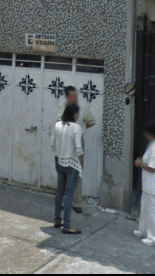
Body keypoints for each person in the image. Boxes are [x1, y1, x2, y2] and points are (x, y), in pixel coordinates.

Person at [57, 86, 96, 214]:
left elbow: (91, 121)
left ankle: (77, 203)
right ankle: (63, 201)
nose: (74, 98)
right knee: (64, 172)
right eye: (71, 95)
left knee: (77, 173)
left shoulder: (83, 108)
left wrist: (82, 129)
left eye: (75, 95)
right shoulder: (62, 108)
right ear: (67, 96)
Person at [51, 103, 83, 235]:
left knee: (60, 192)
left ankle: (57, 220)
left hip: (59, 162)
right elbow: (79, 149)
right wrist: (81, 162)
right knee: (69, 195)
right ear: (75, 115)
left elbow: (52, 145)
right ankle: (67, 226)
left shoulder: (57, 125)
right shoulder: (76, 127)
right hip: (72, 164)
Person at [134, 125, 155, 246]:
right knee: (145, 207)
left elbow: (152, 168)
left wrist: (140, 164)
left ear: (150, 134)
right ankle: (143, 230)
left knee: (153, 210)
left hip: (154, 184)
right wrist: (142, 161)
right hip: (149, 183)